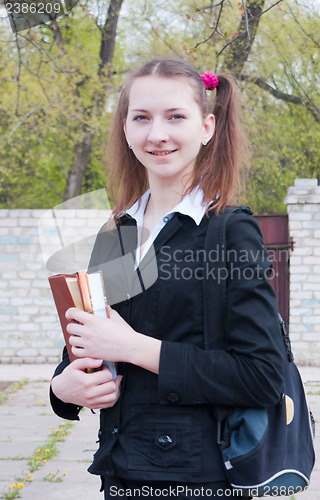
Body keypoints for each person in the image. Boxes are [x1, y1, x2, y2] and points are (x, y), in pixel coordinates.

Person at [50, 58, 285, 499]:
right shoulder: (118, 232)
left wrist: (135, 348)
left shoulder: (229, 231)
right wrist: (63, 387)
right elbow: (88, 344)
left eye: (175, 116)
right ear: (125, 129)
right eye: (141, 117)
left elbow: (262, 377)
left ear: (207, 127)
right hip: (120, 473)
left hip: (199, 480)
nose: (157, 134)